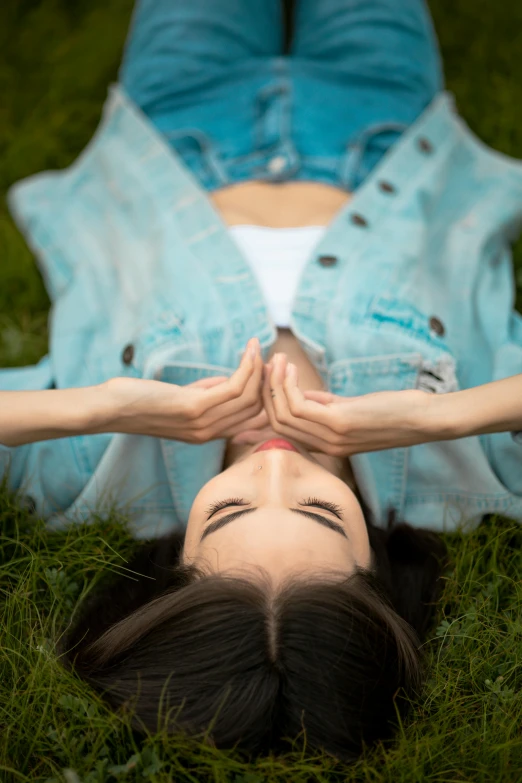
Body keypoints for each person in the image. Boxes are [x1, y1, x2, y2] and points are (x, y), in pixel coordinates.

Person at [3, 0, 522, 763]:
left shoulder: (91, 474)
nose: (274, 463)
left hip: (183, 125)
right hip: (376, 121)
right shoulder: (473, 472)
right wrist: (438, 419)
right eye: (319, 509)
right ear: (376, 560)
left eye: (228, 512)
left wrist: (104, 403)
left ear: (177, 553)